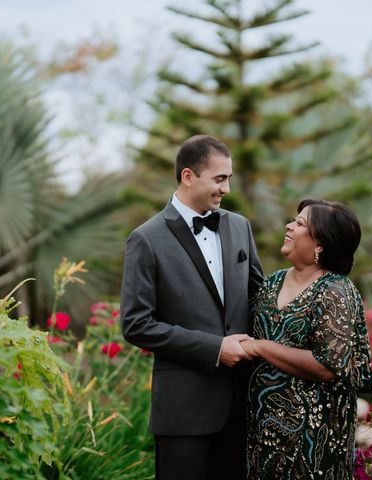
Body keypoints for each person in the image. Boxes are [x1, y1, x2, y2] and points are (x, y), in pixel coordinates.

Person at [121, 134, 264, 480]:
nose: (226, 189)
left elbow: (259, 299)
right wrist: (215, 348)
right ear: (188, 176)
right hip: (184, 413)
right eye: (219, 178)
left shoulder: (239, 226)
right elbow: (136, 324)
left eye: (228, 178)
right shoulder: (146, 239)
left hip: (241, 406)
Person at [241, 198, 372, 479]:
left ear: (320, 245)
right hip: (262, 432)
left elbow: (327, 366)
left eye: (300, 223)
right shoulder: (271, 283)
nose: (289, 226)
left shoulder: (336, 290)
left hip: (314, 438)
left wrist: (261, 347)